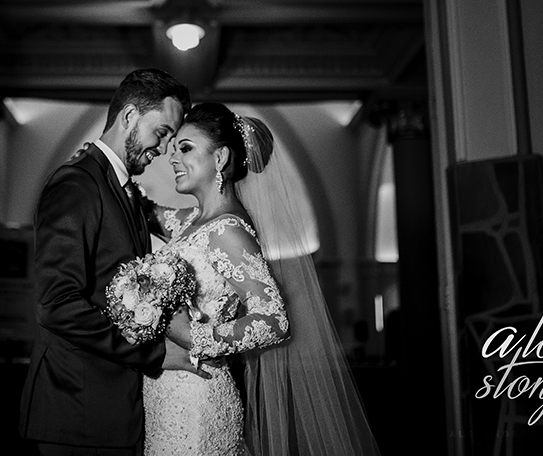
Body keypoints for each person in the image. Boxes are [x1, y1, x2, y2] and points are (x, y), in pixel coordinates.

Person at [145, 102, 381, 456]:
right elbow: (142, 210)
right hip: (165, 395)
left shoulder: (228, 230)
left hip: (196, 401)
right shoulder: (190, 222)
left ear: (221, 157)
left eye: (186, 148)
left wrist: (194, 337)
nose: (172, 158)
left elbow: (273, 321)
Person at [18, 68, 198, 456]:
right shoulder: (76, 185)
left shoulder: (126, 191)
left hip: (114, 412)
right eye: (163, 132)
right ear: (130, 116)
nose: (164, 148)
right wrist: (155, 355)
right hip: (77, 411)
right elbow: (57, 306)